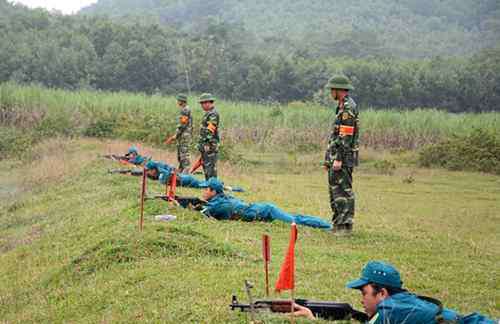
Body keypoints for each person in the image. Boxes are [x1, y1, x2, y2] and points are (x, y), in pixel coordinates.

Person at [293, 261, 497, 323]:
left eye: (364, 293)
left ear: (382, 293)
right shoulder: (402, 302)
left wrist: (312, 319)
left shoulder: (390, 311)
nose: (362, 300)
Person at [197, 178, 332, 230]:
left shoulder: (218, 205)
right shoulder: (220, 199)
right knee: (297, 217)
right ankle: (326, 224)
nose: (203, 191)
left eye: (206, 189)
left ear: (213, 191)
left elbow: (203, 214)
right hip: (263, 210)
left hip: (267, 211)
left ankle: (327, 226)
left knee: (295, 221)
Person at [324, 75, 360, 235]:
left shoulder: (348, 108)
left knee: (344, 190)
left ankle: (346, 226)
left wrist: (338, 158)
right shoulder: (341, 106)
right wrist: (328, 159)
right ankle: (338, 224)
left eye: (332, 89)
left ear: (338, 90)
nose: (330, 92)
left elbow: (346, 137)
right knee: (335, 190)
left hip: (343, 157)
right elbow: (335, 136)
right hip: (335, 156)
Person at [164, 94, 192, 173]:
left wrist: (175, 135)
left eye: (178, 100)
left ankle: (185, 171)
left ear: (181, 101)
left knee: (184, 153)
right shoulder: (185, 109)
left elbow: (183, 124)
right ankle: (181, 169)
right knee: (180, 153)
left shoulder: (185, 110)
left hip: (184, 135)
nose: (177, 102)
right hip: (183, 135)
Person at [197, 93, 220, 180]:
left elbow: (211, 129)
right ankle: (209, 187)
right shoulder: (208, 113)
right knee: (206, 167)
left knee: (210, 168)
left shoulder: (213, 114)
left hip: (210, 145)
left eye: (202, 103)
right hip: (205, 145)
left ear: (208, 103)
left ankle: (213, 188)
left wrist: (206, 142)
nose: (202, 106)